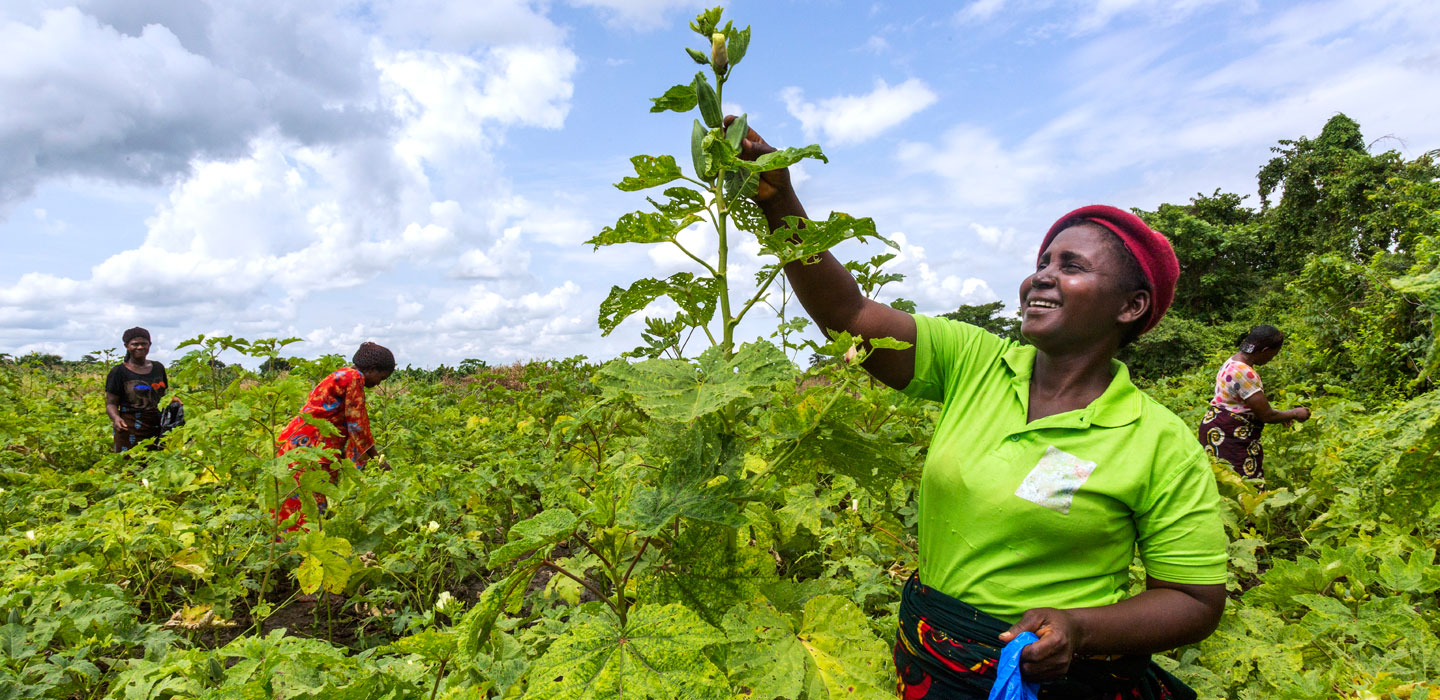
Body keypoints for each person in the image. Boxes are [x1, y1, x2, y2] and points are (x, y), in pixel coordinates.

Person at [731, 117, 1227, 699]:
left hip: (1056, 677)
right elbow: (850, 318)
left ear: (1131, 305)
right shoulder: (976, 362)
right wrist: (779, 199)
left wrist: (1078, 628)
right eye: (1043, 262)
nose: (1041, 277)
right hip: (934, 658)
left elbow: (1194, 601)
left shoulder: (1157, 439)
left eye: (1072, 266)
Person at [273, 342, 395, 529]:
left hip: (295, 444)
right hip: (312, 450)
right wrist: (379, 460)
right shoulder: (354, 378)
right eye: (382, 377)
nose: (380, 383)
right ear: (372, 369)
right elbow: (357, 424)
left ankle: (287, 547)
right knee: (311, 505)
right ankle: (302, 552)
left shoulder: (342, 374)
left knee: (292, 500)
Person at [1198, 325, 1310, 479]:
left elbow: (1245, 405)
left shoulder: (1233, 361)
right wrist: (1296, 413)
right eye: (1273, 354)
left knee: (1224, 484)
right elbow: (1267, 415)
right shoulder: (1244, 372)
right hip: (1230, 435)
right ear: (1264, 351)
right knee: (1245, 486)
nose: (1272, 358)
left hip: (1217, 429)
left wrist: (1283, 416)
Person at [105, 327, 178, 452]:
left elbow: (162, 394)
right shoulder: (119, 372)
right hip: (130, 429)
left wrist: (172, 399)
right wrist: (116, 418)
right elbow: (111, 403)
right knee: (133, 467)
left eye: (143, 343)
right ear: (127, 346)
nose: (140, 347)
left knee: (158, 465)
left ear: (149, 345)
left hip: (158, 426)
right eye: (135, 344)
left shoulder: (158, 368)